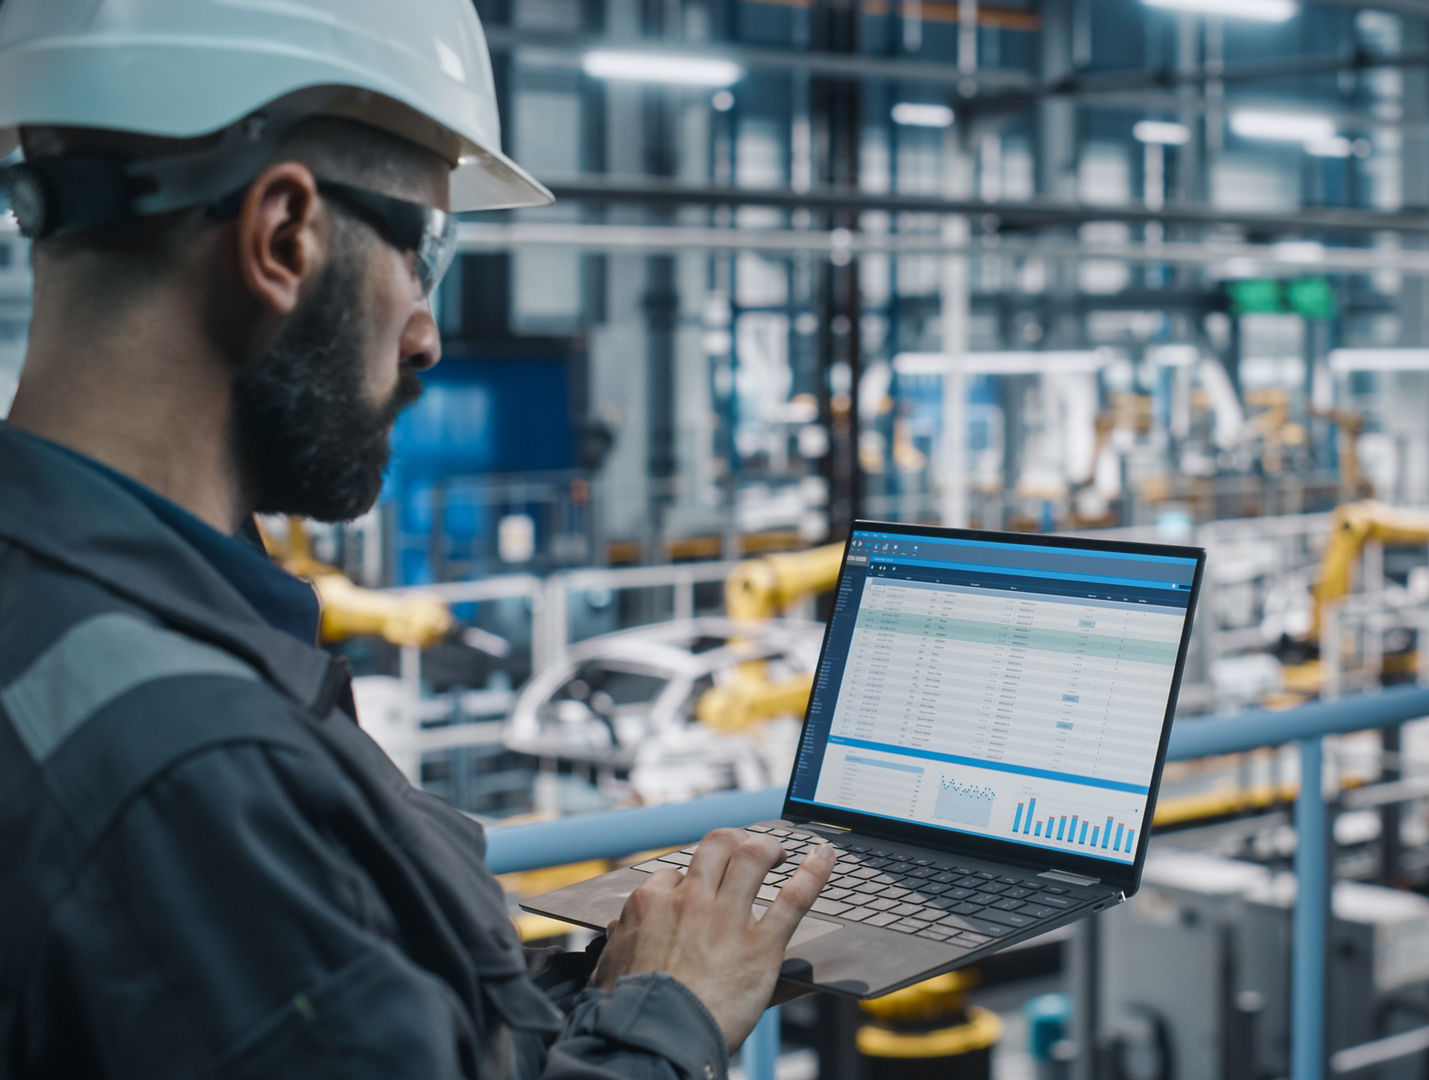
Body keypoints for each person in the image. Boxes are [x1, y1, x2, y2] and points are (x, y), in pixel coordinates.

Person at [0, 2, 836, 1077]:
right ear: (284, 235)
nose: (428, 334)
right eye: (424, 253)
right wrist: (673, 1016)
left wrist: (611, 994)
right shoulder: (193, 775)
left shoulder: (84, 616)